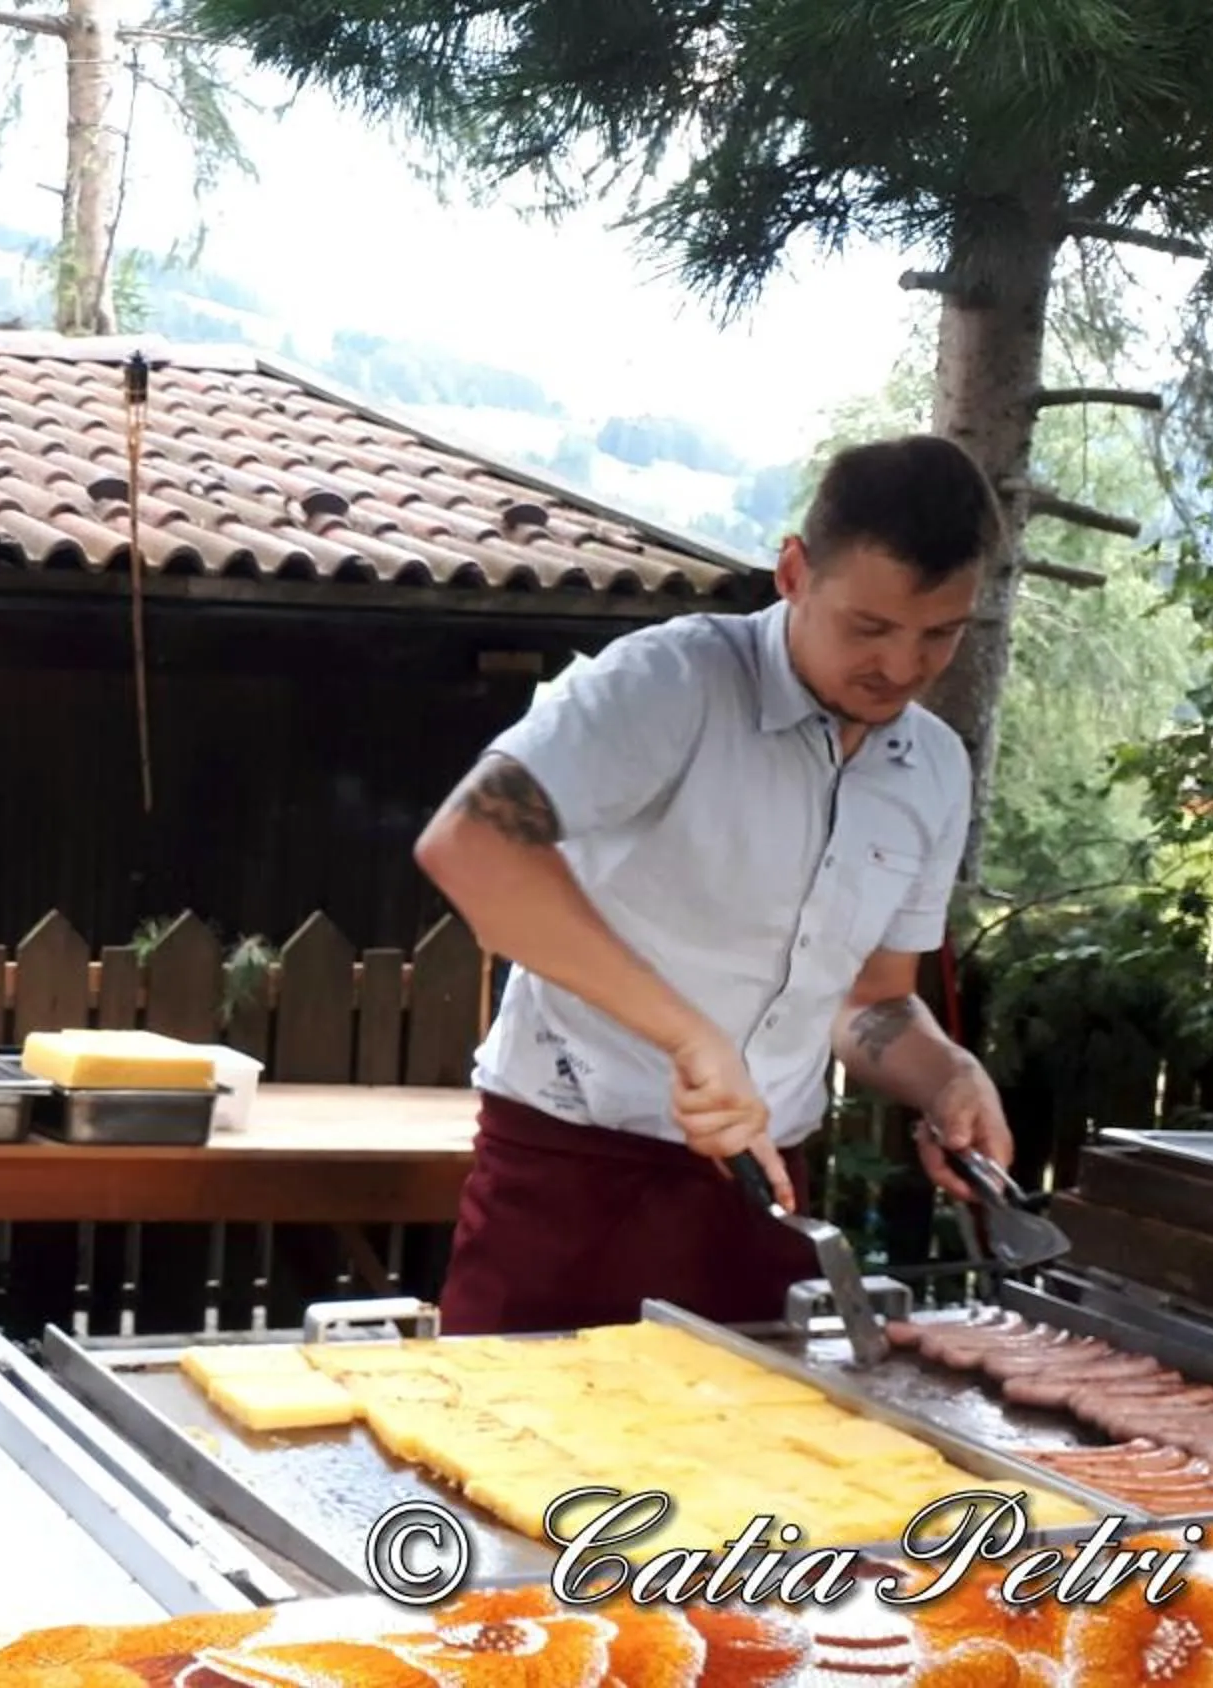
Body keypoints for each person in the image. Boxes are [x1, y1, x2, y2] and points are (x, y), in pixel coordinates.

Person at [412, 433, 1016, 1336]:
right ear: (794, 573)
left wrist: (947, 1077)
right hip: (574, 1176)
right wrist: (688, 1034)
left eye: (941, 635)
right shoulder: (672, 681)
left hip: (768, 1196)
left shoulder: (932, 769)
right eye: (869, 627)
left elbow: (871, 999)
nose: (901, 668)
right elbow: (468, 845)